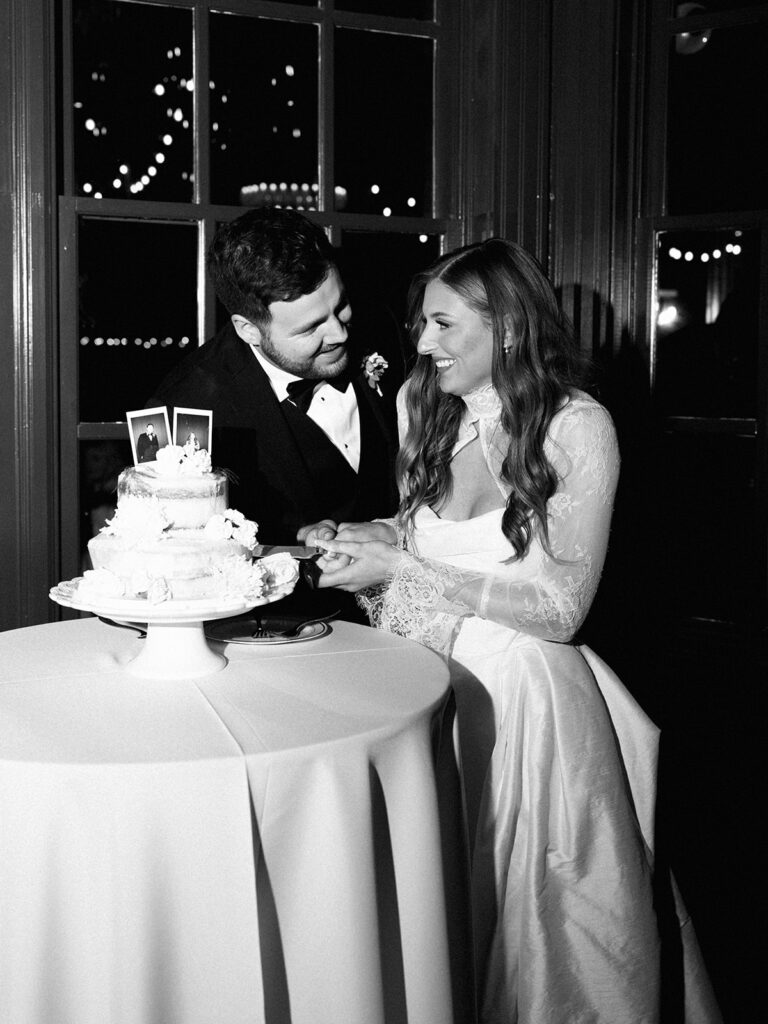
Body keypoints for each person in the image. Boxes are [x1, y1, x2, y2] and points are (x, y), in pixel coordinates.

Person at [310, 239, 722, 1023]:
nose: (422, 343)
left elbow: (562, 610)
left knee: (538, 936)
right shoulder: (418, 405)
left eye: (442, 324)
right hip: (422, 690)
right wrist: (358, 535)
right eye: (420, 324)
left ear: (505, 328)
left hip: (528, 710)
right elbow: (416, 531)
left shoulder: (577, 426)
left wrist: (401, 572)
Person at [147, 208, 399, 548]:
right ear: (248, 329)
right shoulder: (186, 408)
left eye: (340, 306)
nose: (340, 333)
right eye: (310, 327)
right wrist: (291, 540)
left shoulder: (384, 325)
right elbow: (187, 548)